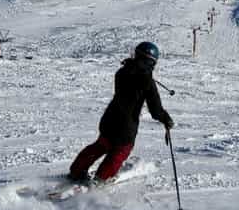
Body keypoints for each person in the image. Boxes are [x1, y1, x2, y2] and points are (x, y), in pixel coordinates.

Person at [68, 41, 173, 184]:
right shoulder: (147, 82)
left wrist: (138, 69)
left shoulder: (121, 72)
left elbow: (130, 81)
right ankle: (101, 179)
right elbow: (155, 110)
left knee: (101, 145)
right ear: (152, 63)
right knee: (119, 152)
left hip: (109, 120)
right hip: (126, 127)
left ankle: (77, 170)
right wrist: (166, 119)